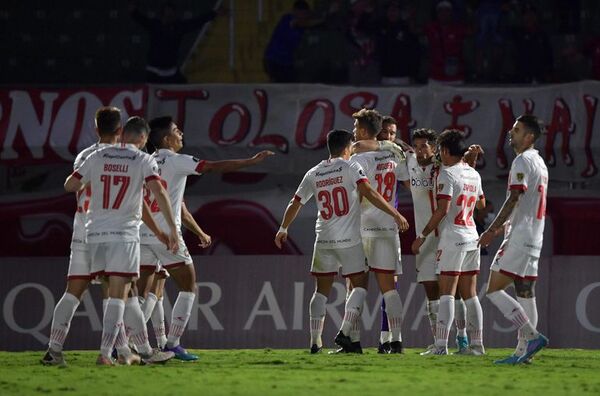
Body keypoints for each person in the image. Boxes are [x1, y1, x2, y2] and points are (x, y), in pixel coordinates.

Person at [137, 116, 275, 360]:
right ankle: (172, 343)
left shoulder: (145, 162)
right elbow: (212, 166)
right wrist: (250, 161)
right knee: (188, 287)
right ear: (167, 139)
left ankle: (123, 343)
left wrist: (199, 232)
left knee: (144, 293)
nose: (181, 134)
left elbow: (178, 206)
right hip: (167, 235)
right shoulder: (177, 161)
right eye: (177, 131)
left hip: (141, 233)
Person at [274, 129, 408, 354]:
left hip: (323, 240)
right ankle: (345, 332)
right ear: (347, 147)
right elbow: (370, 193)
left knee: (320, 292)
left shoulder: (313, 172)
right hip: (349, 241)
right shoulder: (350, 167)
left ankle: (315, 342)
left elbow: (295, 202)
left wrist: (283, 227)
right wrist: (395, 214)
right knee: (360, 286)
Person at [353, 127, 483, 355]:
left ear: (435, 149)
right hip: (431, 239)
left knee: (456, 293)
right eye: (418, 146)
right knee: (432, 291)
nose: (421, 150)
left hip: (444, 235)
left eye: (426, 146)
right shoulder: (407, 163)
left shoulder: (443, 168)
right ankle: (438, 341)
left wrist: (469, 158)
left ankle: (461, 338)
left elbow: (460, 178)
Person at [64, 116, 179, 365]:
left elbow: (71, 184)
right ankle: (106, 354)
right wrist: (170, 228)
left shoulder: (97, 156)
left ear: (122, 133)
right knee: (118, 295)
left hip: (94, 234)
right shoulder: (143, 159)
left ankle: (136, 350)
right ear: (143, 138)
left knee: (123, 293)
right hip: (123, 234)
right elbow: (158, 193)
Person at [479, 114, 549, 364]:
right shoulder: (540, 162)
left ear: (529, 137)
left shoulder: (522, 161)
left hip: (520, 237)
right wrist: (502, 227)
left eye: (517, 130)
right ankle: (523, 352)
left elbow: (514, 198)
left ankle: (531, 336)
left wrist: (491, 229)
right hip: (535, 236)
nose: (511, 132)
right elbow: (528, 203)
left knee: (493, 290)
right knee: (525, 292)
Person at [411, 129, 486, 356]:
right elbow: (481, 204)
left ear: (444, 150)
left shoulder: (447, 174)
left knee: (447, 294)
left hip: (453, 238)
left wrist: (422, 236)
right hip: (472, 237)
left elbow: (442, 210)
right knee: (471, 295)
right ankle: (477, 346)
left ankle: (441, 346)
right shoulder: (474, 174)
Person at [351, 110, 410, 354]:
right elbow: (412, 184)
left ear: (364, 131)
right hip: (388, 227)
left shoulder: (357, 157)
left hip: (363, 226)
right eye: (386, 133)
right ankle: (394, 341)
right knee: (389, 287)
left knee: (355, 286)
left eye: (356, 127)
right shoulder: (396, 156)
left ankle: (353, 339)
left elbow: (353, 146)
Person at [129, 1, 222, 83]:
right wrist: (133, 10)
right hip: (153, 71)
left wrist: (214, 14)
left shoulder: (178, 27)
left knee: (183, 88)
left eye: (171, 13)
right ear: (162, 14)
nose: (169, 15)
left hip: (170, 72)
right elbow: (139, 18)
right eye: (167, 13)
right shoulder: (154, 25)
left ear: (174, 14)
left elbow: (196, 22)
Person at [264, 0, 315, 82]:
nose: (302, 17)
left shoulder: (301, 28)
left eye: (304, 15)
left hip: (287, 63)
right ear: (295, 12)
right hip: (274, 61)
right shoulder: (286, 20)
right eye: (300, 14)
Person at [424, 1, 468, 85]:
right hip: (435, 77)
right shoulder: (430, 28)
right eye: (440, 11)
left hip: (455, 77)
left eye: (447, 10)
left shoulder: (459, 29)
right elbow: (414, 29)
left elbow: (473, 30)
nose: (444, 14)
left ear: (451, 13)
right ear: (437, 13)